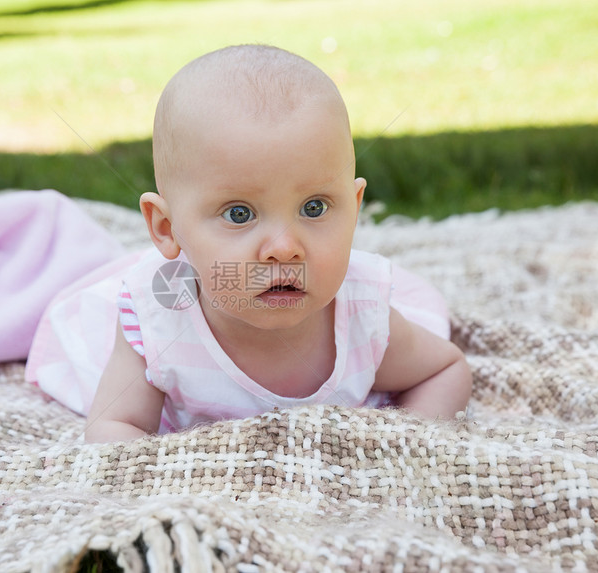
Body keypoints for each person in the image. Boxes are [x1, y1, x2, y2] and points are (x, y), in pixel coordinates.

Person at [25, 45, 472, 443]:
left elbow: (444, 370)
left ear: (354, 208)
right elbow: (112, 427)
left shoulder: (363, 314)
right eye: (239, 214)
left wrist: (404, 444)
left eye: (314, 208)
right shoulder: (158, 321)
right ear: (166, 228)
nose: (283, 248)